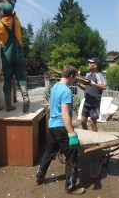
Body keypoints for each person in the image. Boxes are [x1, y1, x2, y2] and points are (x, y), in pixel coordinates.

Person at [36, 65, 85, 195]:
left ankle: (39, 177)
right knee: (72, 155)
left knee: (49, 153)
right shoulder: (66, 91)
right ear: (72, 76)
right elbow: (65, 115)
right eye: (75, 78)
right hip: (61, 127)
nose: (75, 80)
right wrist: (71, 133)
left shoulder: (55, 87)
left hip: (51, 125)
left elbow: (51, 107)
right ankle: (70, 187)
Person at [0, 0, 30, 113]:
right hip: (18, 53)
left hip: (7, 55)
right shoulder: (16, 20)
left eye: (0, 10)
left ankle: (9, 106)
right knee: (21, 78)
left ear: (2, 13)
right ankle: (26, 98)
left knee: (8, 80)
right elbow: (7, 4)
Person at [78, 58, 106, 132]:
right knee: (82, 121)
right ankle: (87, 136)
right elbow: (85, 88)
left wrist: (93, 83)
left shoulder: (99, 75)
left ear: (95, 65)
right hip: (87, 103)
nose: (88, 64)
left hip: (94, 103)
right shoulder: (87, 75)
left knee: (93, 123)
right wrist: (78, 84)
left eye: (91, 63)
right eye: (89, 63)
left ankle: (94, 140)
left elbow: (104, 87)